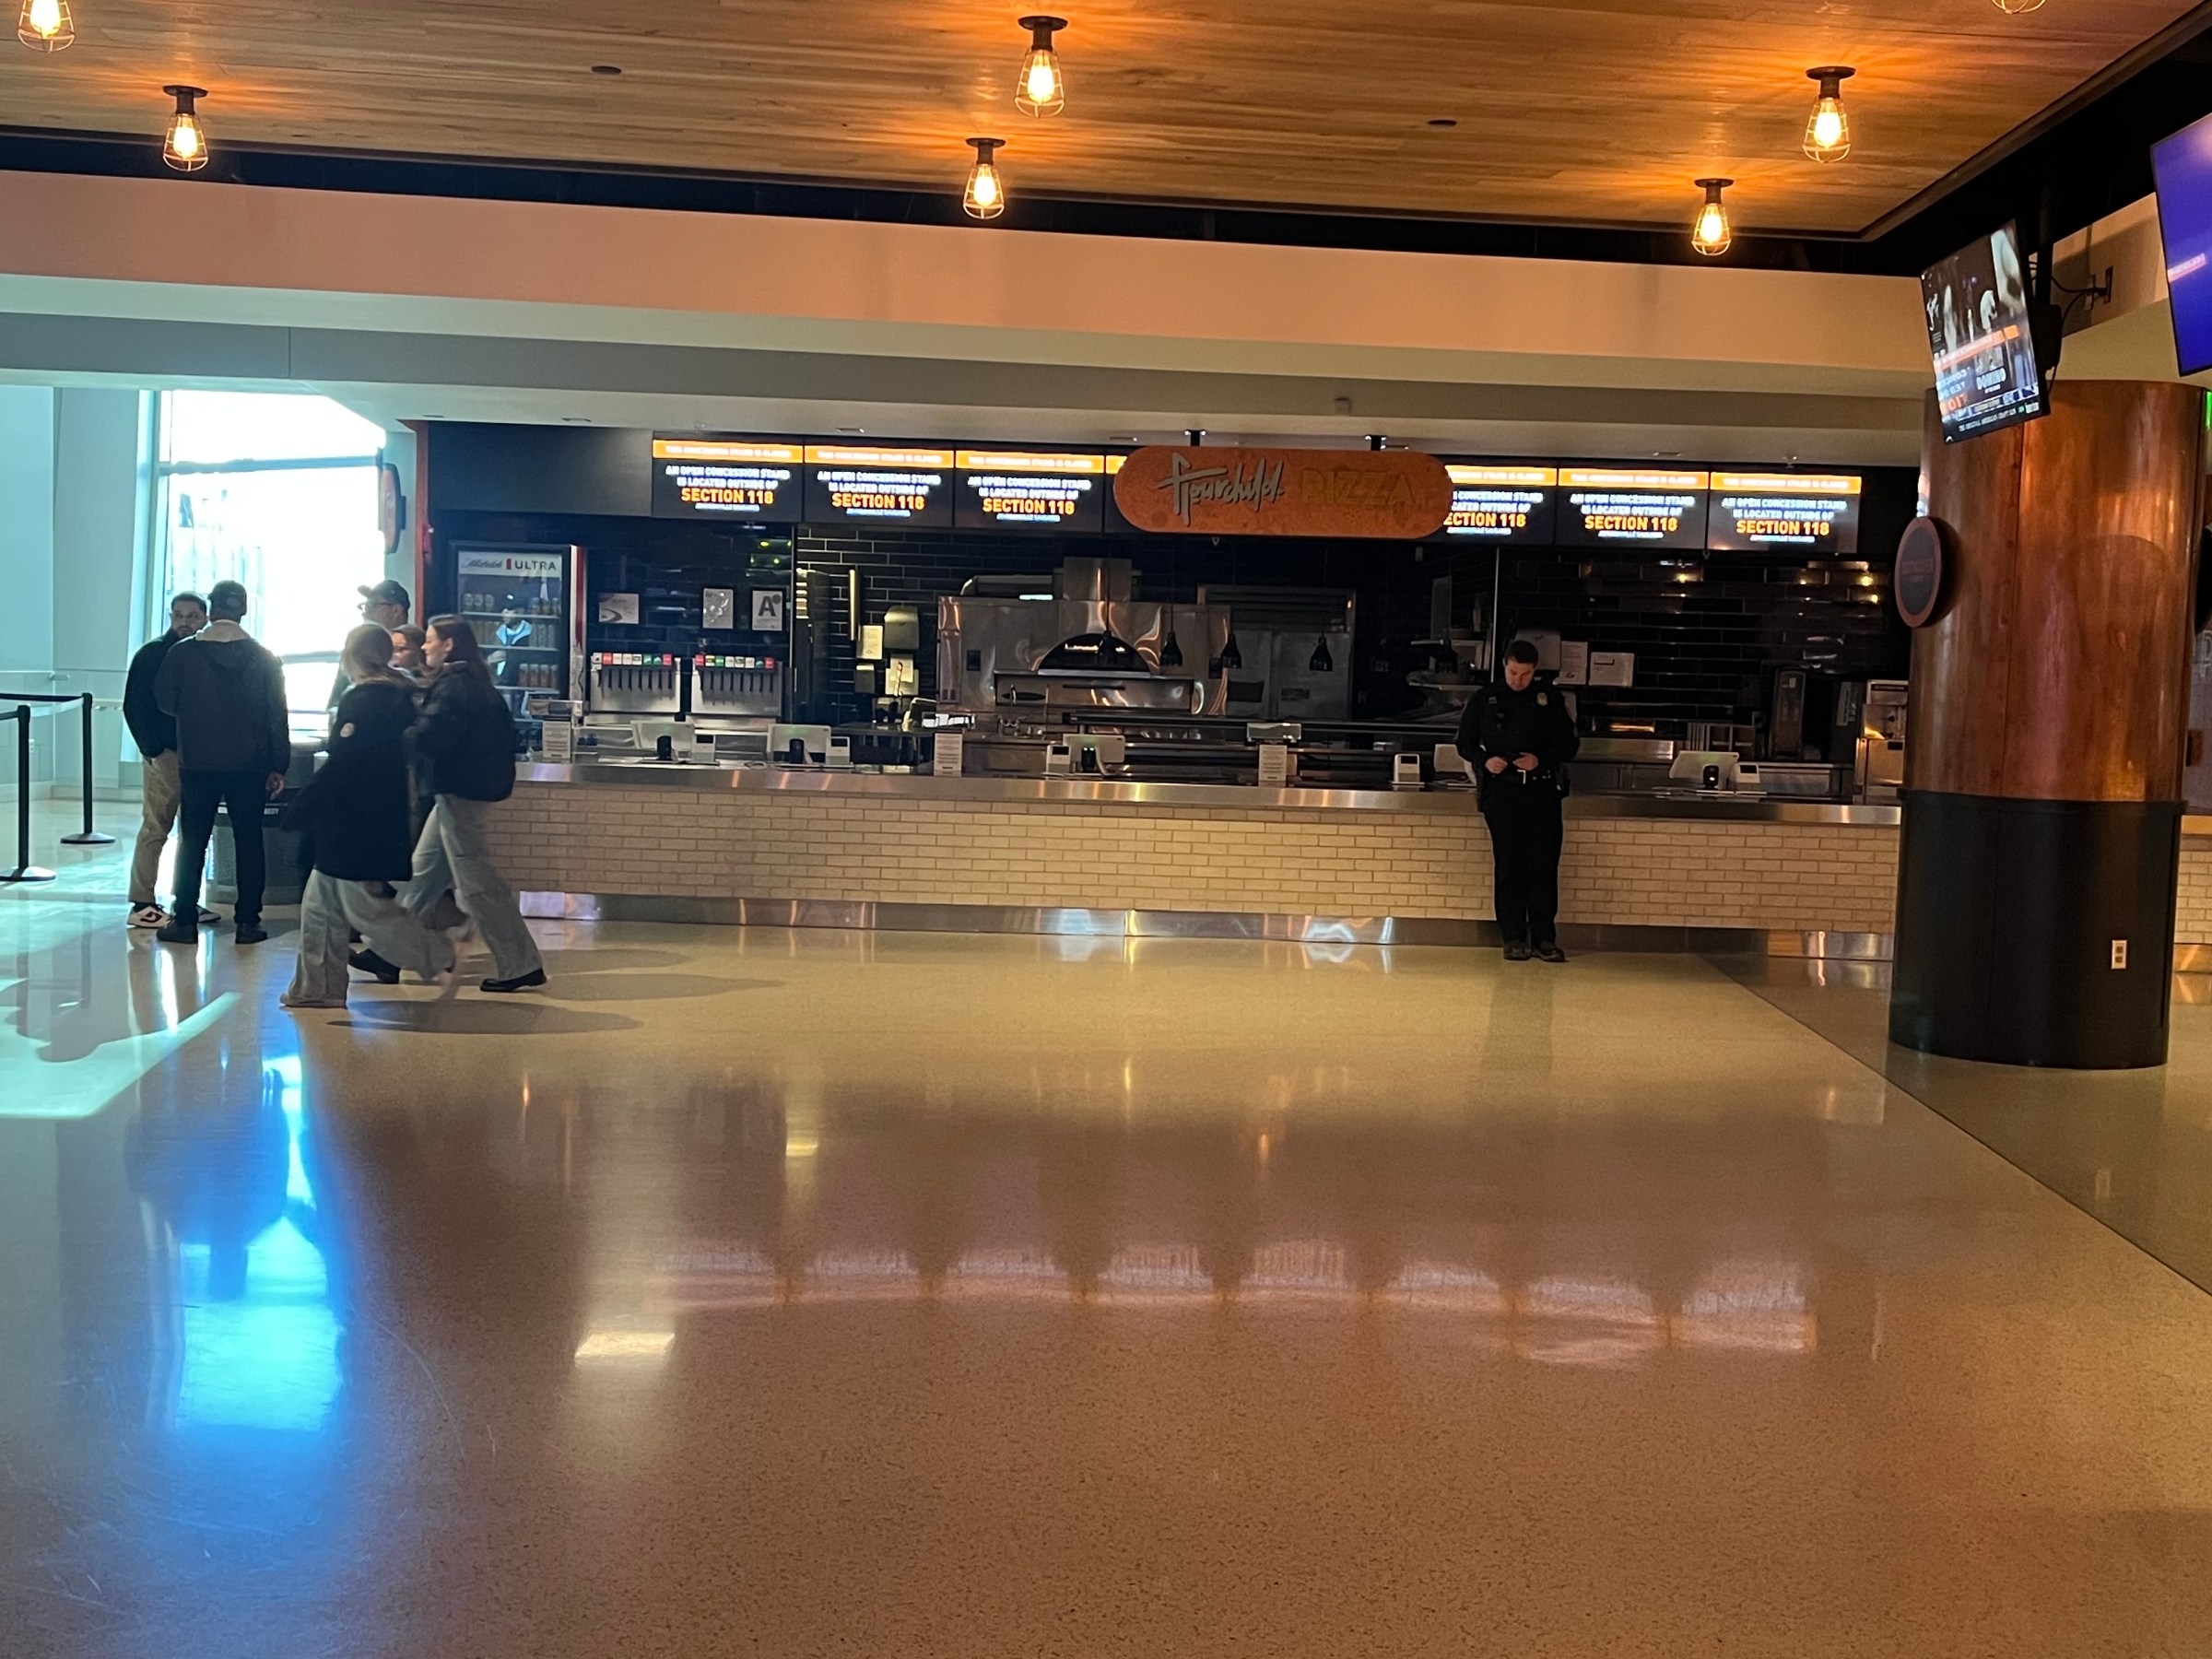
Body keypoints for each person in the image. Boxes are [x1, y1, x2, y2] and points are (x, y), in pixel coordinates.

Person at [282, 626, 459, 1010]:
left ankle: (437, 955)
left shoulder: (365, 700)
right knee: (321, 905)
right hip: (371, 816)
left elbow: (344, 763)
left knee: (365, 911)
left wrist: (303, 804)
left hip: (352, 821)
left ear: (353, 655)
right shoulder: (399, 694)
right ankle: (317, 988)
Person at [400, 616, 547, 993]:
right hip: (462, 789)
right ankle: (388, 951)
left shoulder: (453, 688)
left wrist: (398, 734)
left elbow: (429, 738)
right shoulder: (474, 683)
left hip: (458, 790)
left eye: (431, 640)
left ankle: (520, 964)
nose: (425, 647)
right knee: (422, 873)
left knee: (478, 881)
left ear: (449, 645)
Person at [153, 579, 289, 947]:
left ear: (210, 611)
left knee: (193, 840)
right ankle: (248, 922)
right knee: (249, 839)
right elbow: (277, 714)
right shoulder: (264, 657)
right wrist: (279, 764)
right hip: (250, 764)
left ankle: (184, 920)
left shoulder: (182, 654)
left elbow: (165, 701)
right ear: (244, 610)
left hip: (198, 762)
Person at [1457, 640, 1580, 963]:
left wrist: (1541, 759)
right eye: (1513, 672)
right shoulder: (1486, 699)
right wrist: (1485, 760)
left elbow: (1569, 745)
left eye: (1525, 674)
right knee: (1510, 865)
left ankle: (1544, 937)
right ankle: (1512, 936)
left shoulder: (1549, 700)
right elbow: (1464, 742)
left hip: (1541, 790)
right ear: (1504, 665)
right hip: (1503, 791)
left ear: (1535, 671)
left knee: (1543, 865)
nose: (1518, 680)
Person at [121, 591, 220, 931]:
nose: (184, 622)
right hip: (166, 754)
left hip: (199, 756)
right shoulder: (152, 655)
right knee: (156, 826)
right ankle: (142, 901)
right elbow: (134, 705)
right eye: (179, 615)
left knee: (193, 832)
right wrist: (153, 750)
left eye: (192, 616)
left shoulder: (204, 655)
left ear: (205, 618)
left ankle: (185, 901)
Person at [330, 579, 412, 718]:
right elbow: (336, 702)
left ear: (397, 610)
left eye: (374, 606)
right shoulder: (358, 645)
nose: (366, 612)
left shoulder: (414, 645)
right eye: (364, 606)